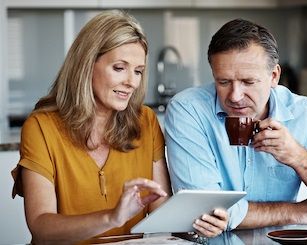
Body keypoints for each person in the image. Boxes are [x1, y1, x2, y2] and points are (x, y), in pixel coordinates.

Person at [11, 10, 227, 244]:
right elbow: (41, 229)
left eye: (138, 71)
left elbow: (161, 214)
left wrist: (197, 225)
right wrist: (112, 217)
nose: (132, 82)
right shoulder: (41, 127)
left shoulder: (145, 120)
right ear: (87, 64)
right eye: (119, 68)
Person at [164, 18, 307, 230]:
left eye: (248, 82)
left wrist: (298, 157)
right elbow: (201, 210)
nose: (235, 96)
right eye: (223, 82)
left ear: (274, 76)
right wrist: (294, 212)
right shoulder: (188, 109)